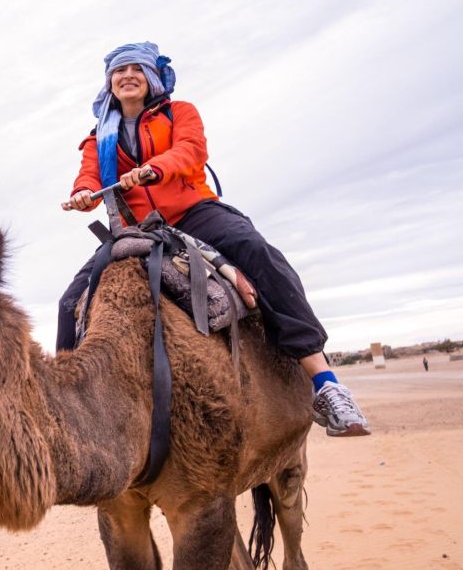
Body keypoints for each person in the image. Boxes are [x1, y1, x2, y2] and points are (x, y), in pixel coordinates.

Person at [58, 41, 370, 437]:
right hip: (136, 227)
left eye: (136, 69)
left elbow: (191, 150)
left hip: (193, 213)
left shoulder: (178, 113)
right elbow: (89, 176)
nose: (127, 76)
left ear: (152, 77)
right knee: (70, 301)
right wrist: (83, 194)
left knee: (258, 253)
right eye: (119, 71)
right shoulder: (97, 138)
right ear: (110, 83)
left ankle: (325, 384)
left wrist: (155, 169)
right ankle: (69, 410)